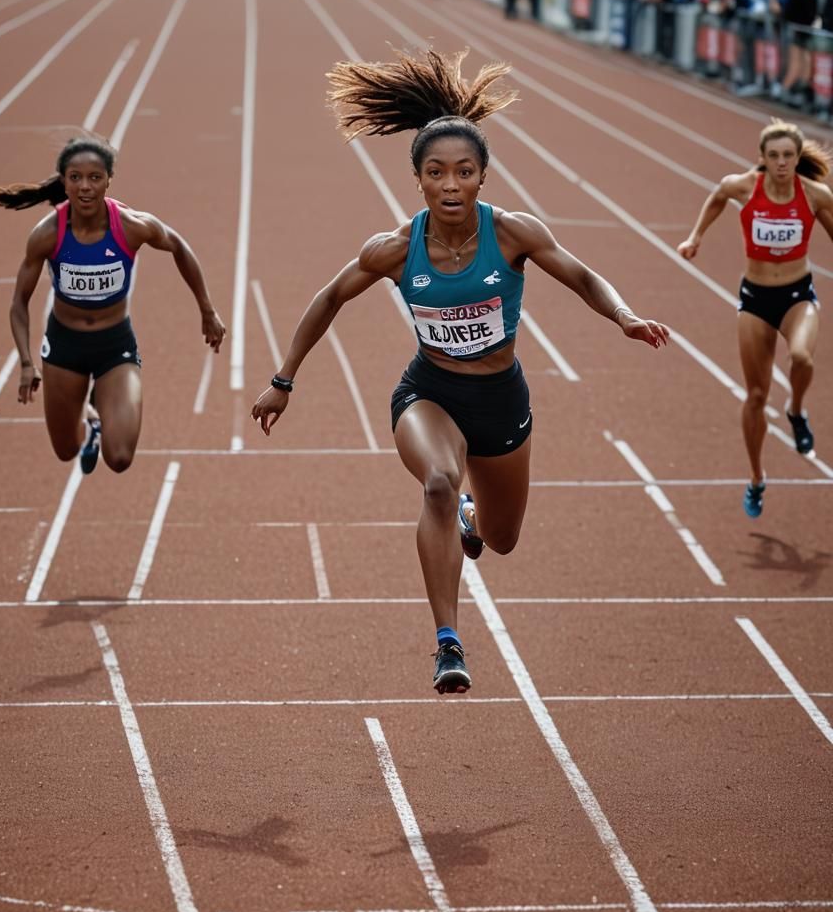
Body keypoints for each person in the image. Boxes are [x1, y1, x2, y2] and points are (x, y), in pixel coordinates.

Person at [250, 50, 670, 695]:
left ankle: (476, 521)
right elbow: (329, 297)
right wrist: (283, 381)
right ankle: (449, 642)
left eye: (464, 172)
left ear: (482, 177)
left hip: (501, 399)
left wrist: (624, 316)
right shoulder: (393, 248)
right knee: (440, 484)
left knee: (502, 540)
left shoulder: (514, 235)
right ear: (417, 179)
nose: (450, 184)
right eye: (436, 172)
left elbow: (582, 274)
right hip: (430, 391)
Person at [0, 137, 226, 475]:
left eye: (94, 178)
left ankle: (101, 412)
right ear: (63, 181)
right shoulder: (47, 235)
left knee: (119, 458)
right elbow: (19, 303)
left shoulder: (132, 226)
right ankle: (91, 420)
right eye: (75, 178)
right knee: (65, 450)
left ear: (108, 181)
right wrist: (27, 363)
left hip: (114, 344)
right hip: (64, 347)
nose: (85, 187)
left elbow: (178, 246)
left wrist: (207, 309)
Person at [677, 118, 833, 517]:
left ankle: (796, 410)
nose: (782, 162)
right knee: (756, 396)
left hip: (798, 294)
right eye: (775, 155)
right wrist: (696, 237)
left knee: (801, 357)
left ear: (798, 159)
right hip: (755, 298)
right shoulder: (743, 186)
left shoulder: (815, 194)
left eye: (789, 156)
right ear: (762, 158)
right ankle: (757, 477)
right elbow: (716, 197)